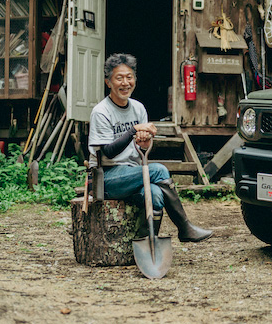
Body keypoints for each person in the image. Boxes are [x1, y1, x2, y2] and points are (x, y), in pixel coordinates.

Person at [89, 53, 213, 242]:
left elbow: (143, 149)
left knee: (156, 194)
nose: (125, 83)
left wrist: (144, 143)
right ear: (108, 82)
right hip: (106, 178)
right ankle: (185, 227)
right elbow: (108, 151)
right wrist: (133, 131)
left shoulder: (138, 108)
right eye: (119, 78)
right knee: (159, 170)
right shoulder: (101, 112)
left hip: (132, 173)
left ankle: (146, 241)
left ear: (135, 80)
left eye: (129, 77)